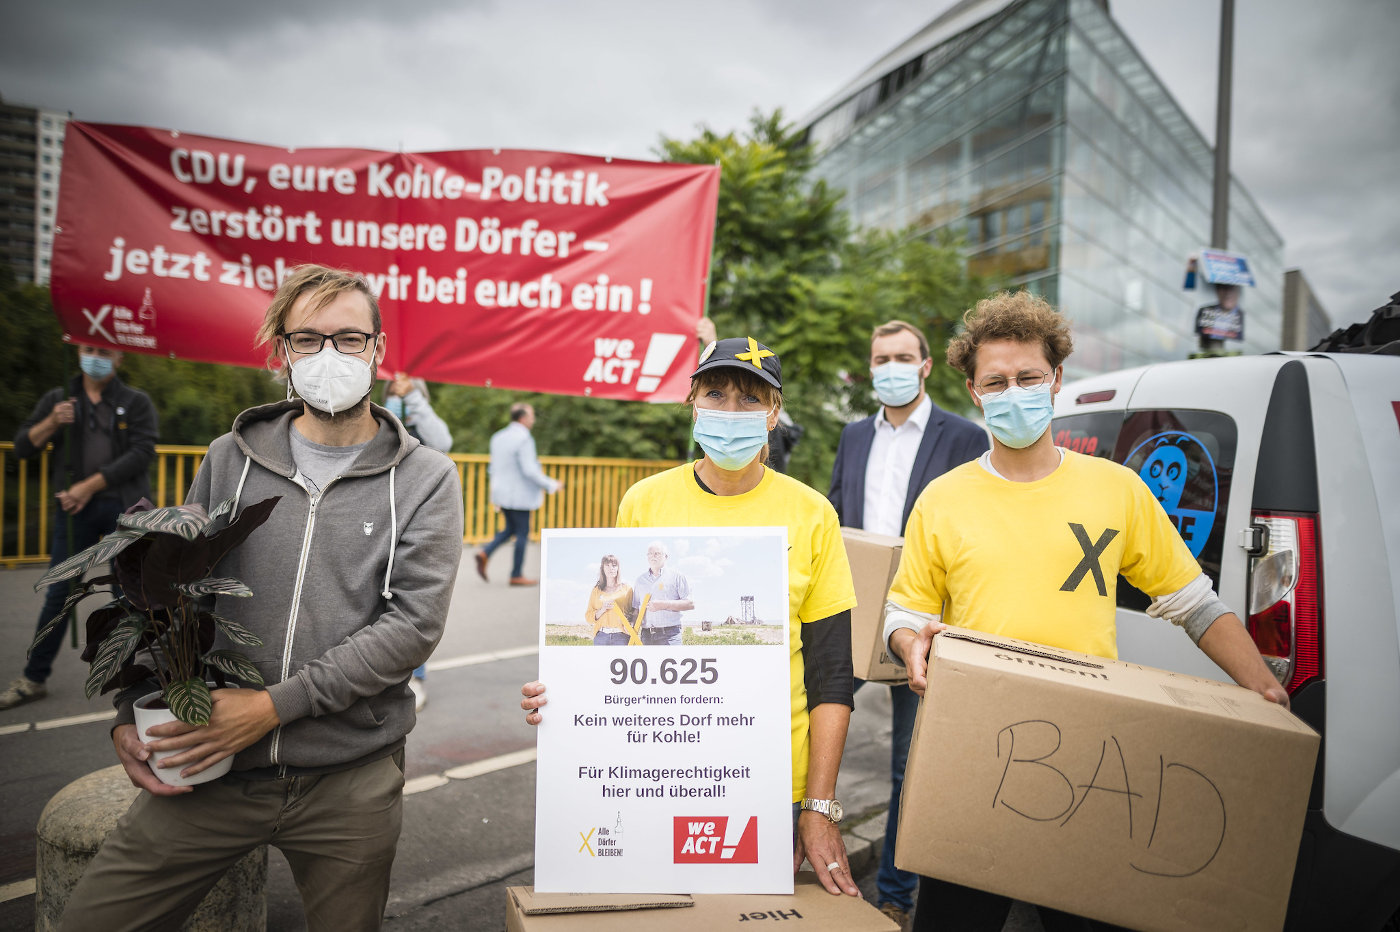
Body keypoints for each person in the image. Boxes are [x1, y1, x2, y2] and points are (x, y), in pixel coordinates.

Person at [59, 264, 464, 931]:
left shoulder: (427, 477)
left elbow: (413, 626)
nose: (329, 356)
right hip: (212, 765)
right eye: (308, 339)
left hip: (349, 779)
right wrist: (130, 712)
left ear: (378, 351)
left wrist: (275, 707)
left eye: (349, 338)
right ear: (282, 353)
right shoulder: (229, 456)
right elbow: (166, 590)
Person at [880, 291, 1289, 932]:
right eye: (997, 381)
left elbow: (1193, 603)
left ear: (1057, 380)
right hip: (970, 752)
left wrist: (1261, 683)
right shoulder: (944, 498)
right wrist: (911, 643)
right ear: (974, 390)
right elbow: (903, 611)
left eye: (1029, 378)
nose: (1013, 391)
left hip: (1091, 761)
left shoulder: (1116, 488)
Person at [522, 336, 863, 897]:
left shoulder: (812, 514)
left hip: (771, 780)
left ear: (774, 415)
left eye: (751, 400)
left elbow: (832, 675)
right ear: (692, 404)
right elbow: (619, 631)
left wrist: (819, 805)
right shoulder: (644, 503)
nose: (731, 412)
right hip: (656, 771)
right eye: (716, 394)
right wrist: (566, 692)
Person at [827, 319, 988, 930]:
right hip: (855, 614)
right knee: (810, 732)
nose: (889, 368)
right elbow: (839, 514)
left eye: (901, 357)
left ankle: (894, 889)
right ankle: (795, 851)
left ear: (924, 366)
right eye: (879, 358)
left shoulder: (965, 436)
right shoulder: (851, 436)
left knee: (908, 765)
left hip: (924, 623)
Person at [1, 344, 157, 712]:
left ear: (120, 357)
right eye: (90, 348)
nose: (96, 356)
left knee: (130, 595)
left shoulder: (136, 402)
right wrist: (53, 422)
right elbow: (23, 448)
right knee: (59, 595)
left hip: (123, 508)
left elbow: (141, 453)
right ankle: (33, 678)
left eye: (105, 350)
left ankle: (145, 678)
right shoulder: (59, 399)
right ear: (77, 351)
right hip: (74, 512)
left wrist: (86, 487)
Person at [384, 372, 453, 710]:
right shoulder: (377, 418)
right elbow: (385, 443)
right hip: (379, 518)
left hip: (418, 520)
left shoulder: (425, 424)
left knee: (413, 602)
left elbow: (444, 440)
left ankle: (415, 678)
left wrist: (412, 398)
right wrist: (393, 402)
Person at [474, 402, 561, 587]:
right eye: (531, 416)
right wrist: (552, 484)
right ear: (522, 418)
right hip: (519, 495)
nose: (533, 420)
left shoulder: (498, 437)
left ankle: (485, 553)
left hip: (501, 492)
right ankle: (516, 574)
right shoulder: (524, 439)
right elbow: (529, 470)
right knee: (522, 532)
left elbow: (494, 467)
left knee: (510, 529)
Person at [630, 541, 694, 646]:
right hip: (646, 636)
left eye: (657, 553)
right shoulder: (640, 580)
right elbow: (636, 608)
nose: (653, 556)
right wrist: (632, 623)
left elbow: (689, 604)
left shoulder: (677, 577)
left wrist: (663, 605)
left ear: (666, 556)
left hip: (670, 636)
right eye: (650, 554)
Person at [586, 554, 636, 646]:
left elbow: (634, 612)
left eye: (614, 565)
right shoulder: (596, 590)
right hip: (601, 637)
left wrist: (630, 623)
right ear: (603, 569)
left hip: (622, 637)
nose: (611, 568)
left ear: (618, 568)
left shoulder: (627, 589)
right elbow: (588, 616)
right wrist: (602, 610)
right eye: (607, 565)